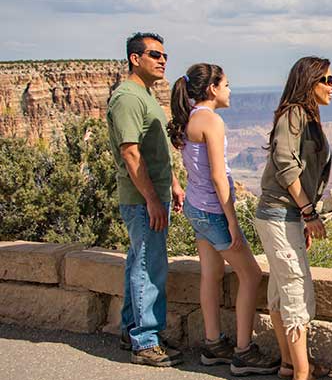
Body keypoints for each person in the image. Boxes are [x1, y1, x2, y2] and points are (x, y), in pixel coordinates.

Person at [166, 63, 280, 376]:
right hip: (214, 211)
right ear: (212, 88)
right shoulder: (212, 121)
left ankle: (213, 344)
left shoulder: (190, 118)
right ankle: (243, 352)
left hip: (195, 207)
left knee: (211, 273)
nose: (230, 90)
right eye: (227, 84)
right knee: (251, 274)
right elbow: (219, 176)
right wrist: (232, 220)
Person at [254, 56, 332, 380]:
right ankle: (302, 373)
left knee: (279, 290)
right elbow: (286, 162)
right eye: (327, 80)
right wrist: (308, 213)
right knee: (296, 292)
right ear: (310, 82)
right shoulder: (295, 114)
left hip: (282, 215)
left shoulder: (304, 116)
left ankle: (290, 365)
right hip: (280, 213)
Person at [107, 32, 184, 366]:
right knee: (149, 267)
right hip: (141, 198)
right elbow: (131, 153)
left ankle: (131, 330)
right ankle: (146, 342)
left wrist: (175, 184)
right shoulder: (127, 97)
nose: (163, 60)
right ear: (134, 59)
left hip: (153, 194)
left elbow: (157, 151)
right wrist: (152, 198)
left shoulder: (147, 94)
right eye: (155, 55)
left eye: (165, 55)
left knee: (138, 260)